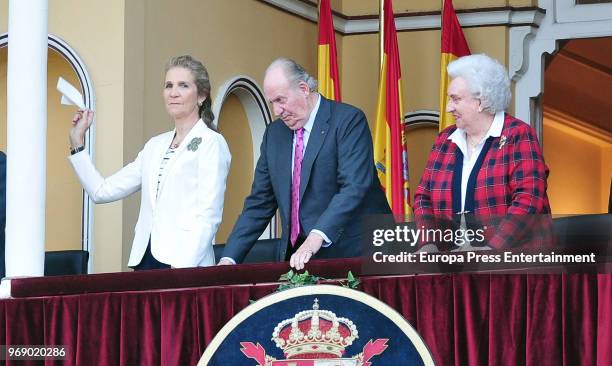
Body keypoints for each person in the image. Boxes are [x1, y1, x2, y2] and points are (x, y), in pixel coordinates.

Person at [219, 58, 390, 270]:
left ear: (303, 89)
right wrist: (229, 259)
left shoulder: (348, 120)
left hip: (357, 254)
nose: (277, 111)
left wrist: (316, 236)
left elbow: (354, 187)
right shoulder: (274, 134)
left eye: (281, 100)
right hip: (300, 258)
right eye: (272, 102)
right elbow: (260, 202)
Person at [69, 55, 231, 270]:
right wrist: (77, 143)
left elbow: (208, 216)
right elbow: (101, 191)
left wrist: (182, 269)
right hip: (145, 259)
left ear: (201, 95)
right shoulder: (155, 146)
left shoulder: (212, 142)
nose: (173, 93)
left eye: (183, 85)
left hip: (185, 264)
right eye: (168, 85)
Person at [414, 54, 551, 250]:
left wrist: (491, 250)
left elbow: (528, 199)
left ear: (481, 101)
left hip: (516, 266)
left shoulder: (518, 135)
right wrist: (428, 242)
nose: (448, 108)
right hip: (454, 264)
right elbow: (423, 197)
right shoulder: (445, 141)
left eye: (456, 99)